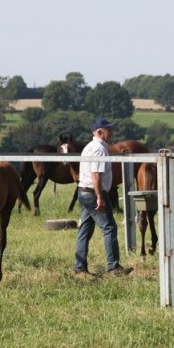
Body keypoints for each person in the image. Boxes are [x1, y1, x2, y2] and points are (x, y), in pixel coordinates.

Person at [73, 116, 134, 276]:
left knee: (85, 230)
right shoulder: (99, 149)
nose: (112, 132)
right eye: (109, 130)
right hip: (93, 193)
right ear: (100, 132)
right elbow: (96, 174)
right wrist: (100, 197)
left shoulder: (89, 147)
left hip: (84, 192)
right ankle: (113, 267)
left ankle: (80, 268)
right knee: (109, 228)